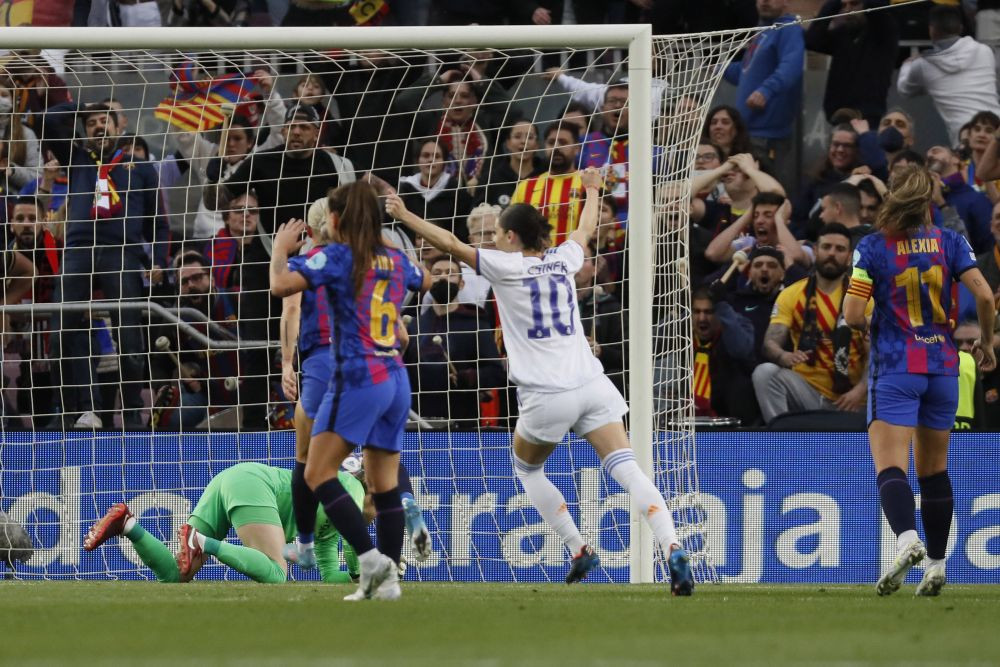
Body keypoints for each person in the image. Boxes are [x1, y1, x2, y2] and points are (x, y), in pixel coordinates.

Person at [385, 167, 695, 596]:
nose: (491, 238)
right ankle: (672, 544)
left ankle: (578, 546)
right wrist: (590, 190)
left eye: (496, 231)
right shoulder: (564, 258)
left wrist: (405, 215)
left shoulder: (504, 266)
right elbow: (586, 228)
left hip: (547, 393)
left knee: (527, 469)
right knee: (627, 468)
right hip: (591, 382)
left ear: (512, 237)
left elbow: (451, 244)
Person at [270, 181, 431, 601]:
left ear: (335, 220)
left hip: (358, 375)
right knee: (385, 485)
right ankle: (389, 582)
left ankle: (369, 558)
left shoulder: (337, 256)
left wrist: (280, 248)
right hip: (397, 378)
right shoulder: (395, 258)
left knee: (317, 472)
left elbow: (281, 288)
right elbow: (427, 280)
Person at [842, 165, 996, 596]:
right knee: (935, 473)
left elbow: (853, 316)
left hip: (895, 366)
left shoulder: (873, 247)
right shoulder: (950, 241)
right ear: (930, 199)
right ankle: (937, 564)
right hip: (944, 366)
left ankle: (907, 541)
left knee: (891, 466)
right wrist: (986, 341)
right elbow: (985, 294)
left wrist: (879, 319)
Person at [83, 462, 367, 584]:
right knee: (277, 572)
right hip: (254, 484)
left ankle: (127, 524)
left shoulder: (331, 527)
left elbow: (331, 577)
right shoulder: (353, 487)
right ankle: (201, 541)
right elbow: (357, 546)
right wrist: (371, 570)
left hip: (234, 480)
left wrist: (357, 578)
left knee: (175, 575)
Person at [753, 223, 871, 424]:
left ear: (850, 256)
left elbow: (878, 353)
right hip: (809, 394)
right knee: (764, 373)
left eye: (840, 249)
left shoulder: (863, 298)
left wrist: (859, 391)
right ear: (815, 250)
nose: (832, 254)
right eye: (826, 247)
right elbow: (770, 342)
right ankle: (782, 437)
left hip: (853, 399)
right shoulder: (791, 294)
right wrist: (783, 355)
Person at [722, 0, 805, 190]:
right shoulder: (763, 31)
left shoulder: (788, 28)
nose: (764, 1)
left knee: (771, 193)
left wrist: (766, 90)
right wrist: (718, 68)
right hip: (750, 133)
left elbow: (791, 66)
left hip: (770, 138)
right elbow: (745, 72)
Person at [897, 4, 1000, 146]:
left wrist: (907, 65)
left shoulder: (922, 66)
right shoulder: (985, 51)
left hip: (965, 138)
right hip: (995, 130)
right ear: (961, 28)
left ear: (931, 30)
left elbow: (904, 90)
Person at [805, 0, 898, 126]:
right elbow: (812, 41)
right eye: (844, 6)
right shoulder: (842, 34)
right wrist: (833, 4)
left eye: (854, 3)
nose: (848, 10)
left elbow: (878, 12)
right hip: (837, 115)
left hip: (869, 117)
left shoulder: (883, 33)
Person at [510, 123, 585, 247]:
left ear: (577, 148)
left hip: (575, 262)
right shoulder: (526, 186)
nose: (556, 147)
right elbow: (512, 228)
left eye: (563, 142)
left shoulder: (588, 184)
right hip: (535, 262)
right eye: (551, 142)